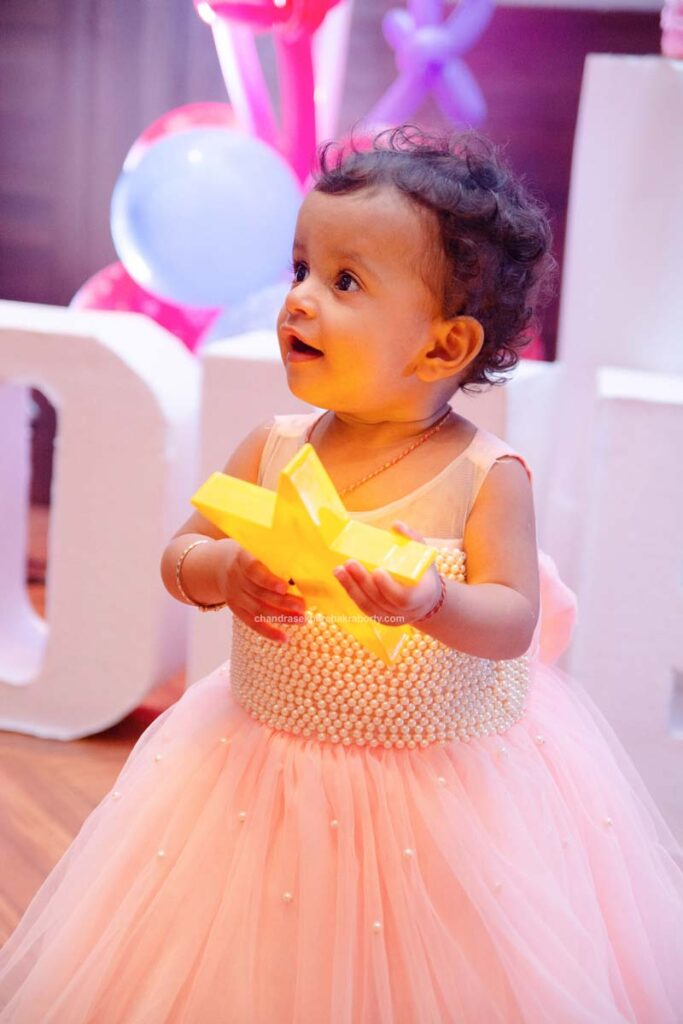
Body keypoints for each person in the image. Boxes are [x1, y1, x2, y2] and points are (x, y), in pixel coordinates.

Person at [1, 126, 682, 1023]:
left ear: (443, 346)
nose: (299, 303)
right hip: (260, 765)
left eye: (344, 282)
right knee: (255, 956)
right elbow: (177, 555)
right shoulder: (272, 446)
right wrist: (223, 568)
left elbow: (513, 619)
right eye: (299, 272)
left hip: (439, 788)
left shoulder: (485, 476)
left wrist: (435, 600)